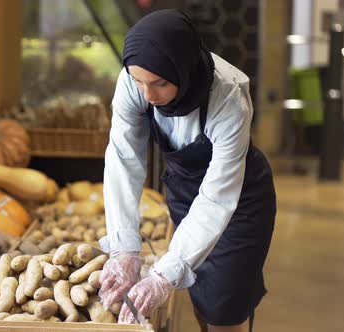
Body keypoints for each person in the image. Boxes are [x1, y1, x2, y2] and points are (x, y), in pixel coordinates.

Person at [98, 9, 276, 332]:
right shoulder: (134, 79)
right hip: (183, 191)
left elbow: (218, 197)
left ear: (183, 68)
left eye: (160, 83)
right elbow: (124, 159)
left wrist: (163, 276)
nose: (148, 96)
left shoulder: (229, 98)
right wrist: (124, 247)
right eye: (139, 83)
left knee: (225, 309)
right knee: (203, 302)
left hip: (239, 199)